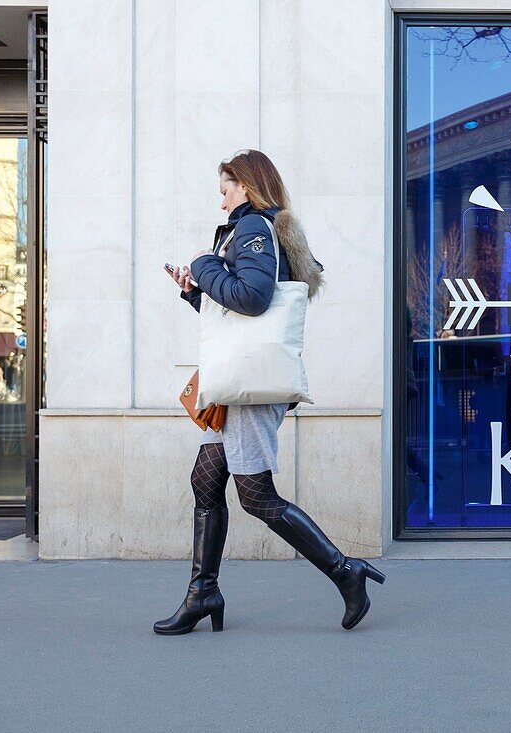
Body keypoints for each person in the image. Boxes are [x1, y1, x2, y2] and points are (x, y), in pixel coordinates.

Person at [154, 149, 384, 636]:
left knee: (256, 496)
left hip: (250, 390)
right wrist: (197, 289)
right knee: (205, 481)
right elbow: (236, 315)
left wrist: (203, 263)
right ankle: (202, 593)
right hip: (242, 383)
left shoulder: (254, 228)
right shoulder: (258, 230)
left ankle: (347, 573)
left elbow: (254, 300)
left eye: (224, 192)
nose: (221, 205)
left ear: (246, 185)